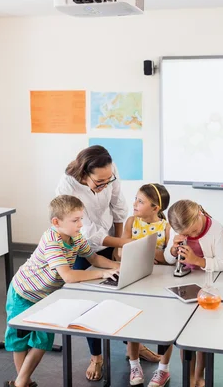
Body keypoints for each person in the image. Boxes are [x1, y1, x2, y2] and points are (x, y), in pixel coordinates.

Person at [55, 145, 160, 380]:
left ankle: (134, 347)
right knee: (89, 302)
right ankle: (96, 357)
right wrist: (124, 243)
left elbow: (119, 205)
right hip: (82, 244)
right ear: (84, 174)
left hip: (112, 235)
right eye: (99, 182)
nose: (105, 183)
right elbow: (87, 231)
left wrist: (120, 243)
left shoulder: (109, 171)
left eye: (107, 179)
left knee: (125, 295)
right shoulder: (67, 186)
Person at [4, 195, 119, 387]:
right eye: (75, 220)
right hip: (23, 293)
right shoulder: (52, 240)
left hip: (45, 296)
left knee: (42, 341)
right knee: (20, 340)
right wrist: (102, 274)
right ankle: (23, 381)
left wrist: (117, 266)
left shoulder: (76, 237)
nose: (81, 224)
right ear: (56, 222)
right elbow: (68, 276)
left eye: (81, 218)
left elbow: (94, 259)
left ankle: (20, 383)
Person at [167, 200, 223, 387]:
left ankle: (199, 375)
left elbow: (222, 264)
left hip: (208, 287)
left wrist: (198, 260)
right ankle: (189, 377)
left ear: (200, 215)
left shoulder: (217, 230)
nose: (191, 236)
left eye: (193, 232)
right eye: (186, 234)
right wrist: (171, 250)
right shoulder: (176, 229)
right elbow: (167, 259)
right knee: (184, 336)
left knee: (202, 336)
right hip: (183, 286)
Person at [121, 183, 174, 387]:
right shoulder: (131, 222)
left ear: (155, 208)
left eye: (140, 201)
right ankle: (135, 364)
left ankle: (163, 369)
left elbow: (169, 258)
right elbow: (120, 251)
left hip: (160, 282)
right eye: (135, 198)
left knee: (166, 324)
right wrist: (153, 253)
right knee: (133, 321)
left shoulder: (166, 227)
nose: (134, 204)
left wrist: (144, 251)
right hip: (135, 279)